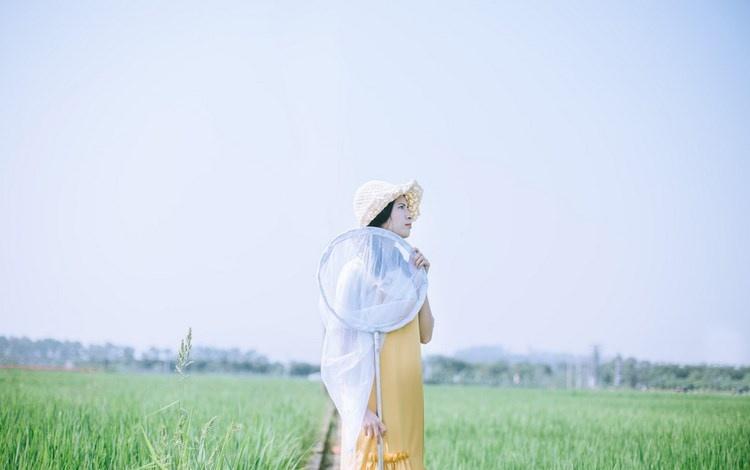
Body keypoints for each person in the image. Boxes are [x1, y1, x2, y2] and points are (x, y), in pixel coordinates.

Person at [343, 179, 435, 469]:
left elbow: (426, 333)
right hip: (373, 403)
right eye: (402, 208)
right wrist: (361, 410)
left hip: (406, 396)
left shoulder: (408, 271)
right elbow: (342, 351)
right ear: (382, 216)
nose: (410, 215)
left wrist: (422, 281)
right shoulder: (354, 274)